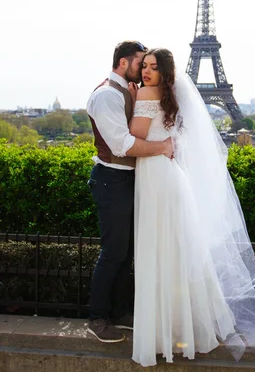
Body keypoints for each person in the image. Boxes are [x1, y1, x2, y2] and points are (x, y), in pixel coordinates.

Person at [130, 48, 255, 366]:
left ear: (165, 72)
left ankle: (164, 332)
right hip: (170, 177)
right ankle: (189, 329)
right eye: (145, 66)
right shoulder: (170, 95)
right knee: (176, 254)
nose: (146, 72)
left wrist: (131, 104)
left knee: (160, 253)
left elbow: (135, 136)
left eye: (153, 68)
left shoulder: (144, 93)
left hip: (157, 177)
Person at [86, 41, 173, 343]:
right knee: (113, 253)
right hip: (112, 179)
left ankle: (120, 312)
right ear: (124, 63)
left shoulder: (129, 92)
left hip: (130, 179)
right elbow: (122, 144)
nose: (145, 68)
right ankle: (97, 318)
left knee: (126, 254)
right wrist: (162, 147)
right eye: (140, 63)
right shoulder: (108, 95)